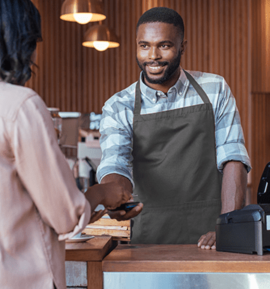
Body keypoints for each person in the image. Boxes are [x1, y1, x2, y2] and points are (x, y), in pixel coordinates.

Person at [0, 1, 131, 289]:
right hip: (21, 288)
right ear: (21, 42)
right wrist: (100, 194)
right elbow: (66, 217)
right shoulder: (21, 105)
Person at [97, 7, 251, 249]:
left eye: (164, 45)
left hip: (212, 238)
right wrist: (113, 199)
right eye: (144, 45)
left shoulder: (214, 89)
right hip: (148, 239)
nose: (153, 56)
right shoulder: (118, 105)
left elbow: (233, 158)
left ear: (182, 47)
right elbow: (115, 164)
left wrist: (228, 225)